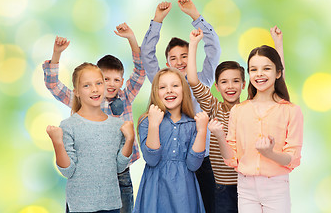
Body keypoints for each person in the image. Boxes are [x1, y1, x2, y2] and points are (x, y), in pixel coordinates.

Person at [42, 23, 145, 213]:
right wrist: (56, 54)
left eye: (115, 80)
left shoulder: (126, 96)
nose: (108, 85)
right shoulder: (80, 102)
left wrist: (131, 38)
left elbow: (140, 71)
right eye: (103, 80)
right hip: (85, 182)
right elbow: (54, 85)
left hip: (119, 173)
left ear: (121, 81)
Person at [187, 26, 284, 212]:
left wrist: (278, 44)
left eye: (235, 81)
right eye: (224, 82)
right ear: (217, 86)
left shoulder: (252, 108)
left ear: (243, 84)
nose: (230, 86)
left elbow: (278, 82)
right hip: (221, 187)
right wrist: (193, 44)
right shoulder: (214, 108)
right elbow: (192, 80)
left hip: (250, 185)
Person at [140, 0, 220, 212]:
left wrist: (196, 16)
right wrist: (157, 21)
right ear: (167, 64)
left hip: (200, 160)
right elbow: (146, 55)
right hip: (166, 161)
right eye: (173, 58)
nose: (180, 62)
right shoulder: (163, 84)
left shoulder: (201, 81)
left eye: (185, 56)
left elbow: (213, 50)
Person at [214, 44, 303, 212]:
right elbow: (231, 159)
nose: (259, 74)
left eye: (266, 68)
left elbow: (292, 158)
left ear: (278, 73)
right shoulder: (238, 111)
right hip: (245, 187)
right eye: (253, 69)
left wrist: (270, 153)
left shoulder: (291, 111)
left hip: (276, 187)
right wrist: (219, 135)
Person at [46, 62, 134, 212]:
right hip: (80, 206)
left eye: (99, 83)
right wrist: (57, 142)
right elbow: (68, 171)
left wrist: (130, 139)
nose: (94, 89)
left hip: (111, 205)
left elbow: (119, 167)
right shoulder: (69, 125)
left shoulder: (117, 125)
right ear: (77, 92)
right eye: (87, 85)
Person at [133, 67, 209, 213]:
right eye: (162, 87)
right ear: (156, 92)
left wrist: (202, 131)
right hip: (155, 190)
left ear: (184, 90)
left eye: (175, 85)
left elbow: (193, 165)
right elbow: (151, 159)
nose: (169, 90)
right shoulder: (147, 121)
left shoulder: (192, 124)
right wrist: (154, 125)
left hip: (184, 194)